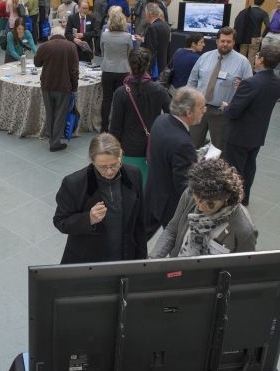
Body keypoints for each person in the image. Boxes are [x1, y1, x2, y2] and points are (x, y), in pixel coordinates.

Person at [53, 133, 147, 263]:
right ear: (92, 161)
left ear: (121, 157)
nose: (109, 171)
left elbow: (140, 221)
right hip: (89, 260)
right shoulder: (74, 183)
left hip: (124, 256)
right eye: (102, 167)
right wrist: (88, 219)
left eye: (115, 165)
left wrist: (142, 261)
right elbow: (60, 221)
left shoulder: (134, 174)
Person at [149, 159, 257, 258]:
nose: (200, 208)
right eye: (197, 200)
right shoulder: (190, 194)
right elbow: (172, 230)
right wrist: (153, 257)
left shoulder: (244, 229)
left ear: (226, 197)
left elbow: (243, 269)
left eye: (210, 204)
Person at [221, 46, 280, 206]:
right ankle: (244, 198)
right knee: (249, 167)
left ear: (261, 59)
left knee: (234, 169)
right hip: (258, 133)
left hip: (239, 134)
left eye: (257, 56)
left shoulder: (250, 83)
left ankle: (233, 201)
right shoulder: (278, 81)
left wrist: (225, 107)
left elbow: (233, 112)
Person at [144, 87, 204, 240]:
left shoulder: (161, 120)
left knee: (141, 235)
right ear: (189, 113)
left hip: (153, 192)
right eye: (202, 107)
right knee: (175, 242)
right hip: (170, 205)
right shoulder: (183, 144)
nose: (205, 110)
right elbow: (183, 184)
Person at [109, 48, 171, 183]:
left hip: (128, 149)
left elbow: (115, 127)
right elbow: (172, 116)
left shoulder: (122, 92)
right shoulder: (159, 90)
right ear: (148, 64)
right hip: (152, 148)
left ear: (128, 64)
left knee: (129, 187)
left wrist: (112, 152)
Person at [187, 26, 252, 151]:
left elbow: (248, 89)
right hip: (199, 109)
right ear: (217, 41)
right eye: (222, 41)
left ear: (233, 42)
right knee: (192, 144)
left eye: (228, 41)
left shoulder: (242, 62)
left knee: (219, 149)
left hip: (222, 114)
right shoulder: (204, 57)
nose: (225, 44)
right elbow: (192, 80)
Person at [35, 26, 79, 152]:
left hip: (47, 85)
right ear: (64, 35)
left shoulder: (44, 46)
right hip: (63, 85)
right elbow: (74, 70)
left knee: (50, 113)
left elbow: (37, 63)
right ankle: (55, 142)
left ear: (52, 34)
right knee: (60, 114)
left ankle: (52, 139)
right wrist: (74, 87)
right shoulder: (71, 46)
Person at [99, 12, 133, 132]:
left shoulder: (104, 35)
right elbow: (130, 53)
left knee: (106, 99)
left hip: (107, 69)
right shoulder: (128, 36)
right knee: (120, 100)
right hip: (122, 71)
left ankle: (104, 127)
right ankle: (118, 125)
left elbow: (102, 51)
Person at [233, 0, 270, 70]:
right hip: (255, 39)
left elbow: (237, 22)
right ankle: (249, 76)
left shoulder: (245, 11)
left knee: (241, 57)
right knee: (251, 59)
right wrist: (262, 36)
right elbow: (268, 26)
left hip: (244, 38)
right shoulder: (263, 13)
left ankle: (238, 72)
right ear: (263, 2)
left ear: (254, 0)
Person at [144, 2, 171, 78]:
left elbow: (151, 50)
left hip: (154, 68)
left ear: (148, 14)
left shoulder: (152, 28)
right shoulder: (165, 25)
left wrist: (147, 69)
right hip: (162, 64)